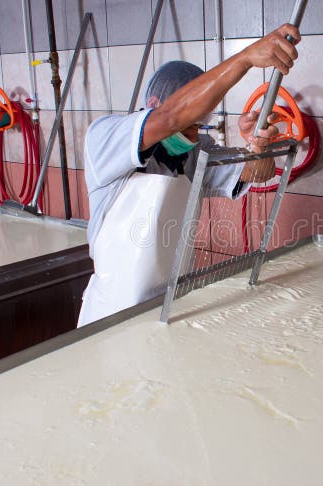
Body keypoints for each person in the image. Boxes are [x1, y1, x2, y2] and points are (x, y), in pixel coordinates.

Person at [77, 24, 301, 327]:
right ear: (155, 104)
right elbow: (170, 118)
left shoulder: (194, 154)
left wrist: (257, 146)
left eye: (199, 125)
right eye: (190, 124)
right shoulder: (106, 137)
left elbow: (259, 172)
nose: (194, 135)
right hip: (111, 316)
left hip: (170, 309)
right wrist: (246, 58)